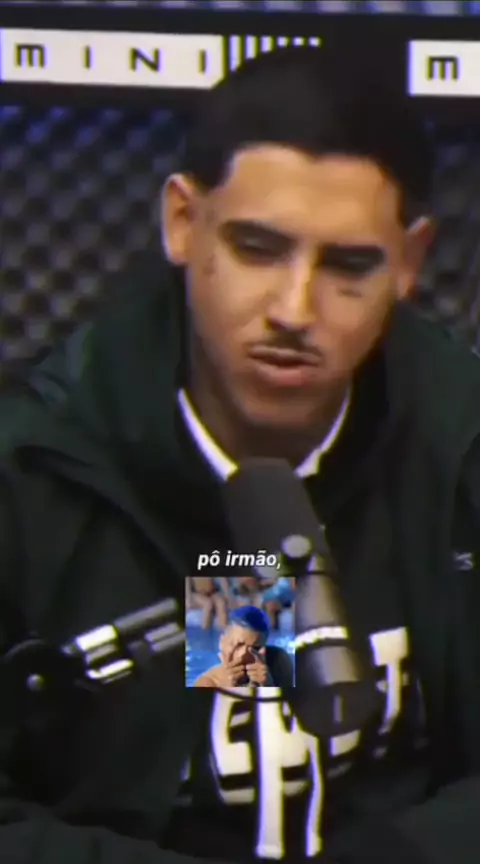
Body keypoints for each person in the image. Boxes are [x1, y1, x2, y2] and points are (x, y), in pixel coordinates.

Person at [2, 43, 480, 864]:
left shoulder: (461, 439)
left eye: (348, 265)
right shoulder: (30, 468)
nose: (294, 309)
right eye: (258, 248)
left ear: (410, 263)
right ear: (183, 223)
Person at [194, 605, 273, 687]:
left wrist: (269, 686)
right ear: (222, 643)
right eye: (238, 645)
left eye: (255, 649)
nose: (243, 655)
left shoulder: (277, 668)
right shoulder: (208, 683)